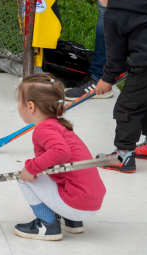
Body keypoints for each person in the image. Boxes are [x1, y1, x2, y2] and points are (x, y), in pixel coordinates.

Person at [14, 74, 106, 241]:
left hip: (76, 203)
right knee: (49, 168)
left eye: (19, 102)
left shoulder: (44, 129)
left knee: (24, 173)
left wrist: (31, 168)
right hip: (91, 201)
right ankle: (71, 221)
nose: (18, 106)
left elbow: (61, 151)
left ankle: (47, 225)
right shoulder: (59, 125)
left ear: (30, 106)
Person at [89, 0, 147, 173]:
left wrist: (107, 79)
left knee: (127, 107)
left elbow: (116, 56)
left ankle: (124, 155)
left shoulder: (114, 13)